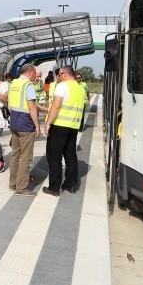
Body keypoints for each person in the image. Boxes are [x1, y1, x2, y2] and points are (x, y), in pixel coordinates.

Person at [43, 65, 86, 196]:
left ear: (65, 74)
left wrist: (48, 123)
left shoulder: (62, 86)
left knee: (54, 156)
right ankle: (70, 185)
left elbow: (56, 106)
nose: (58, 77)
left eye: (60, 75)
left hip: (59, 126)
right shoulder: (80, 89)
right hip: (73, 127)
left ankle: (54, 188)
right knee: (70, 155)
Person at [7, 63, 39, 196]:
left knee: (15, 155)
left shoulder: (14, 83)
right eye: (35, 74)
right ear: (30, 72)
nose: (36, 76)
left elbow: (9, 104)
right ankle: (22, 188)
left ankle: (13, 184)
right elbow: (31, 107)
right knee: (25, 157)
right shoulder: (28, 86)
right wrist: (37, 125)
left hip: (14, 121)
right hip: (26, 124)